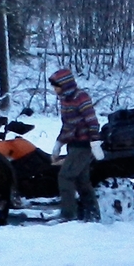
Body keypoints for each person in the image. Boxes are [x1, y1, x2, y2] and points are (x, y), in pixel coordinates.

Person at [48, 66, 103, 222]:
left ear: (65, 85)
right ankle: (92, 216)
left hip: (83, 145)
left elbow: (91, 120)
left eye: (56, 86)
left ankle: (68, 215)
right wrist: (59, 142)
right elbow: (67, 125)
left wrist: (95, 141)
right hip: (72, 144)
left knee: (65, 176)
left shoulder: (81, 97)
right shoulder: (65, 100)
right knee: (82, 181)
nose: (54, 89)